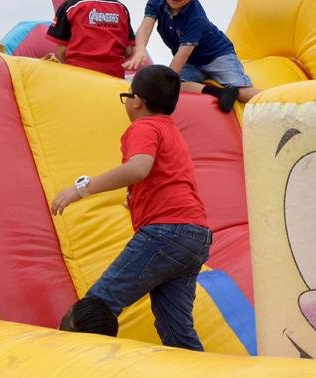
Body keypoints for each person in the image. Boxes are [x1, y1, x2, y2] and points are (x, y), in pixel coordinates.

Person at [51, 65, 213, 349]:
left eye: (127, 96)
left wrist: (81, 189)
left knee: (93, 310)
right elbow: (165, 177)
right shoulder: (171, 131)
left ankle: (75, 377)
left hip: (167, 232)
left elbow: (139, 168)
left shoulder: (144, 127)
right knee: (176, 331)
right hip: (194, 235)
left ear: (136, 100)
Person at [126, 0, 256, 112]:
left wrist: (164, 84)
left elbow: (182, 54)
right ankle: (220, 93)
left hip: (217, 55)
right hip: (193, 62)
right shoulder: (156, 2)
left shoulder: (196, 18)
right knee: (178, 86)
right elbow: (146, 27)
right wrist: (140, 49)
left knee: (241, 91)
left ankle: (282, 100)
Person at [45, 0, 135, 78]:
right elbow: (128, 50)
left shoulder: (70, 6)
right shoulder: (121, 8)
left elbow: (61, 52)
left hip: (79, 80)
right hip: (113, 81)